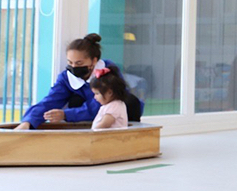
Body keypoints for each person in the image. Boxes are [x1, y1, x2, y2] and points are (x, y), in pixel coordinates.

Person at [14, 33, 142, 130]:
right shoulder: (66, 77)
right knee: (75, 101)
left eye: (79, 63)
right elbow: (50, 101)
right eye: (70, 62)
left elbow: (101, 104)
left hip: (115, 115)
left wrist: (65, 115)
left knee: (130, 101)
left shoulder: (108, 71)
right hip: (90, 118)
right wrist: (28, 122)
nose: (74, 67)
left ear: (94, 61)